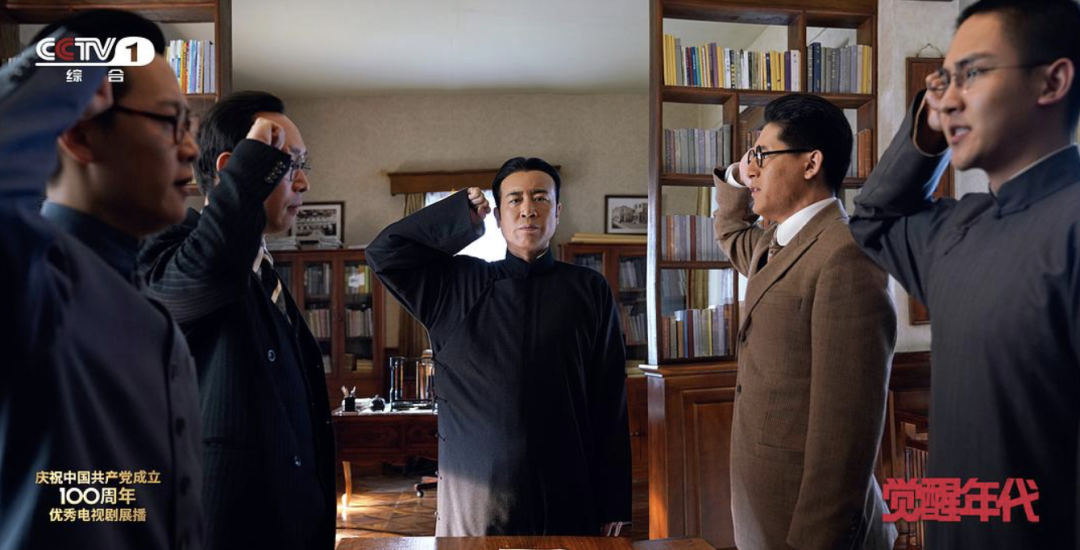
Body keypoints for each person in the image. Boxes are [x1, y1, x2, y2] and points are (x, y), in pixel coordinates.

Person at [849, 0, 1080, 547]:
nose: (948, 100)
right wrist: (928, 134)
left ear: (1052, 81)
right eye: (942, 82)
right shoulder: (960, 228)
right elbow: (872, 219)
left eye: (972, 74)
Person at [0, 10, 203, 550]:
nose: (190, 148)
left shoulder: (139, 298)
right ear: (80, 134)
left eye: (190, 126)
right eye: (170, 122)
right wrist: (68, 61)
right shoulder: (33, 280)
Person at [367, 157, 631, 536]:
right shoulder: (456, 286)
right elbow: (384, 253)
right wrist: (458, 217)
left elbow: (609, 397)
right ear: (497, 216)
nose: (528, 209)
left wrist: (613, 500)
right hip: (476, 498)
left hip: (569, 489)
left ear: (557, 212)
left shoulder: (589, 288)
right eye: (515, 199)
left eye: (540, 198)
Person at [137, 92, 335, 550]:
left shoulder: (267, 275)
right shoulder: (167, 246)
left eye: (304, 165)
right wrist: (247, 175)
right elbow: (204, 276)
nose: (304, 182)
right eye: (288, 164)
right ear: (235, 169)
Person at [713, 94, 897, 550]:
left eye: (763, 155)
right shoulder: (772, 243)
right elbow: (730, 229)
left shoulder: (846, 254)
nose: (753, 169)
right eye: (752, 156)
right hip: (764, 501)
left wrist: (816, 539)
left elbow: (846, 432)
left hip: (808, 521)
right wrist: (738, 173)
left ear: (811, 163)